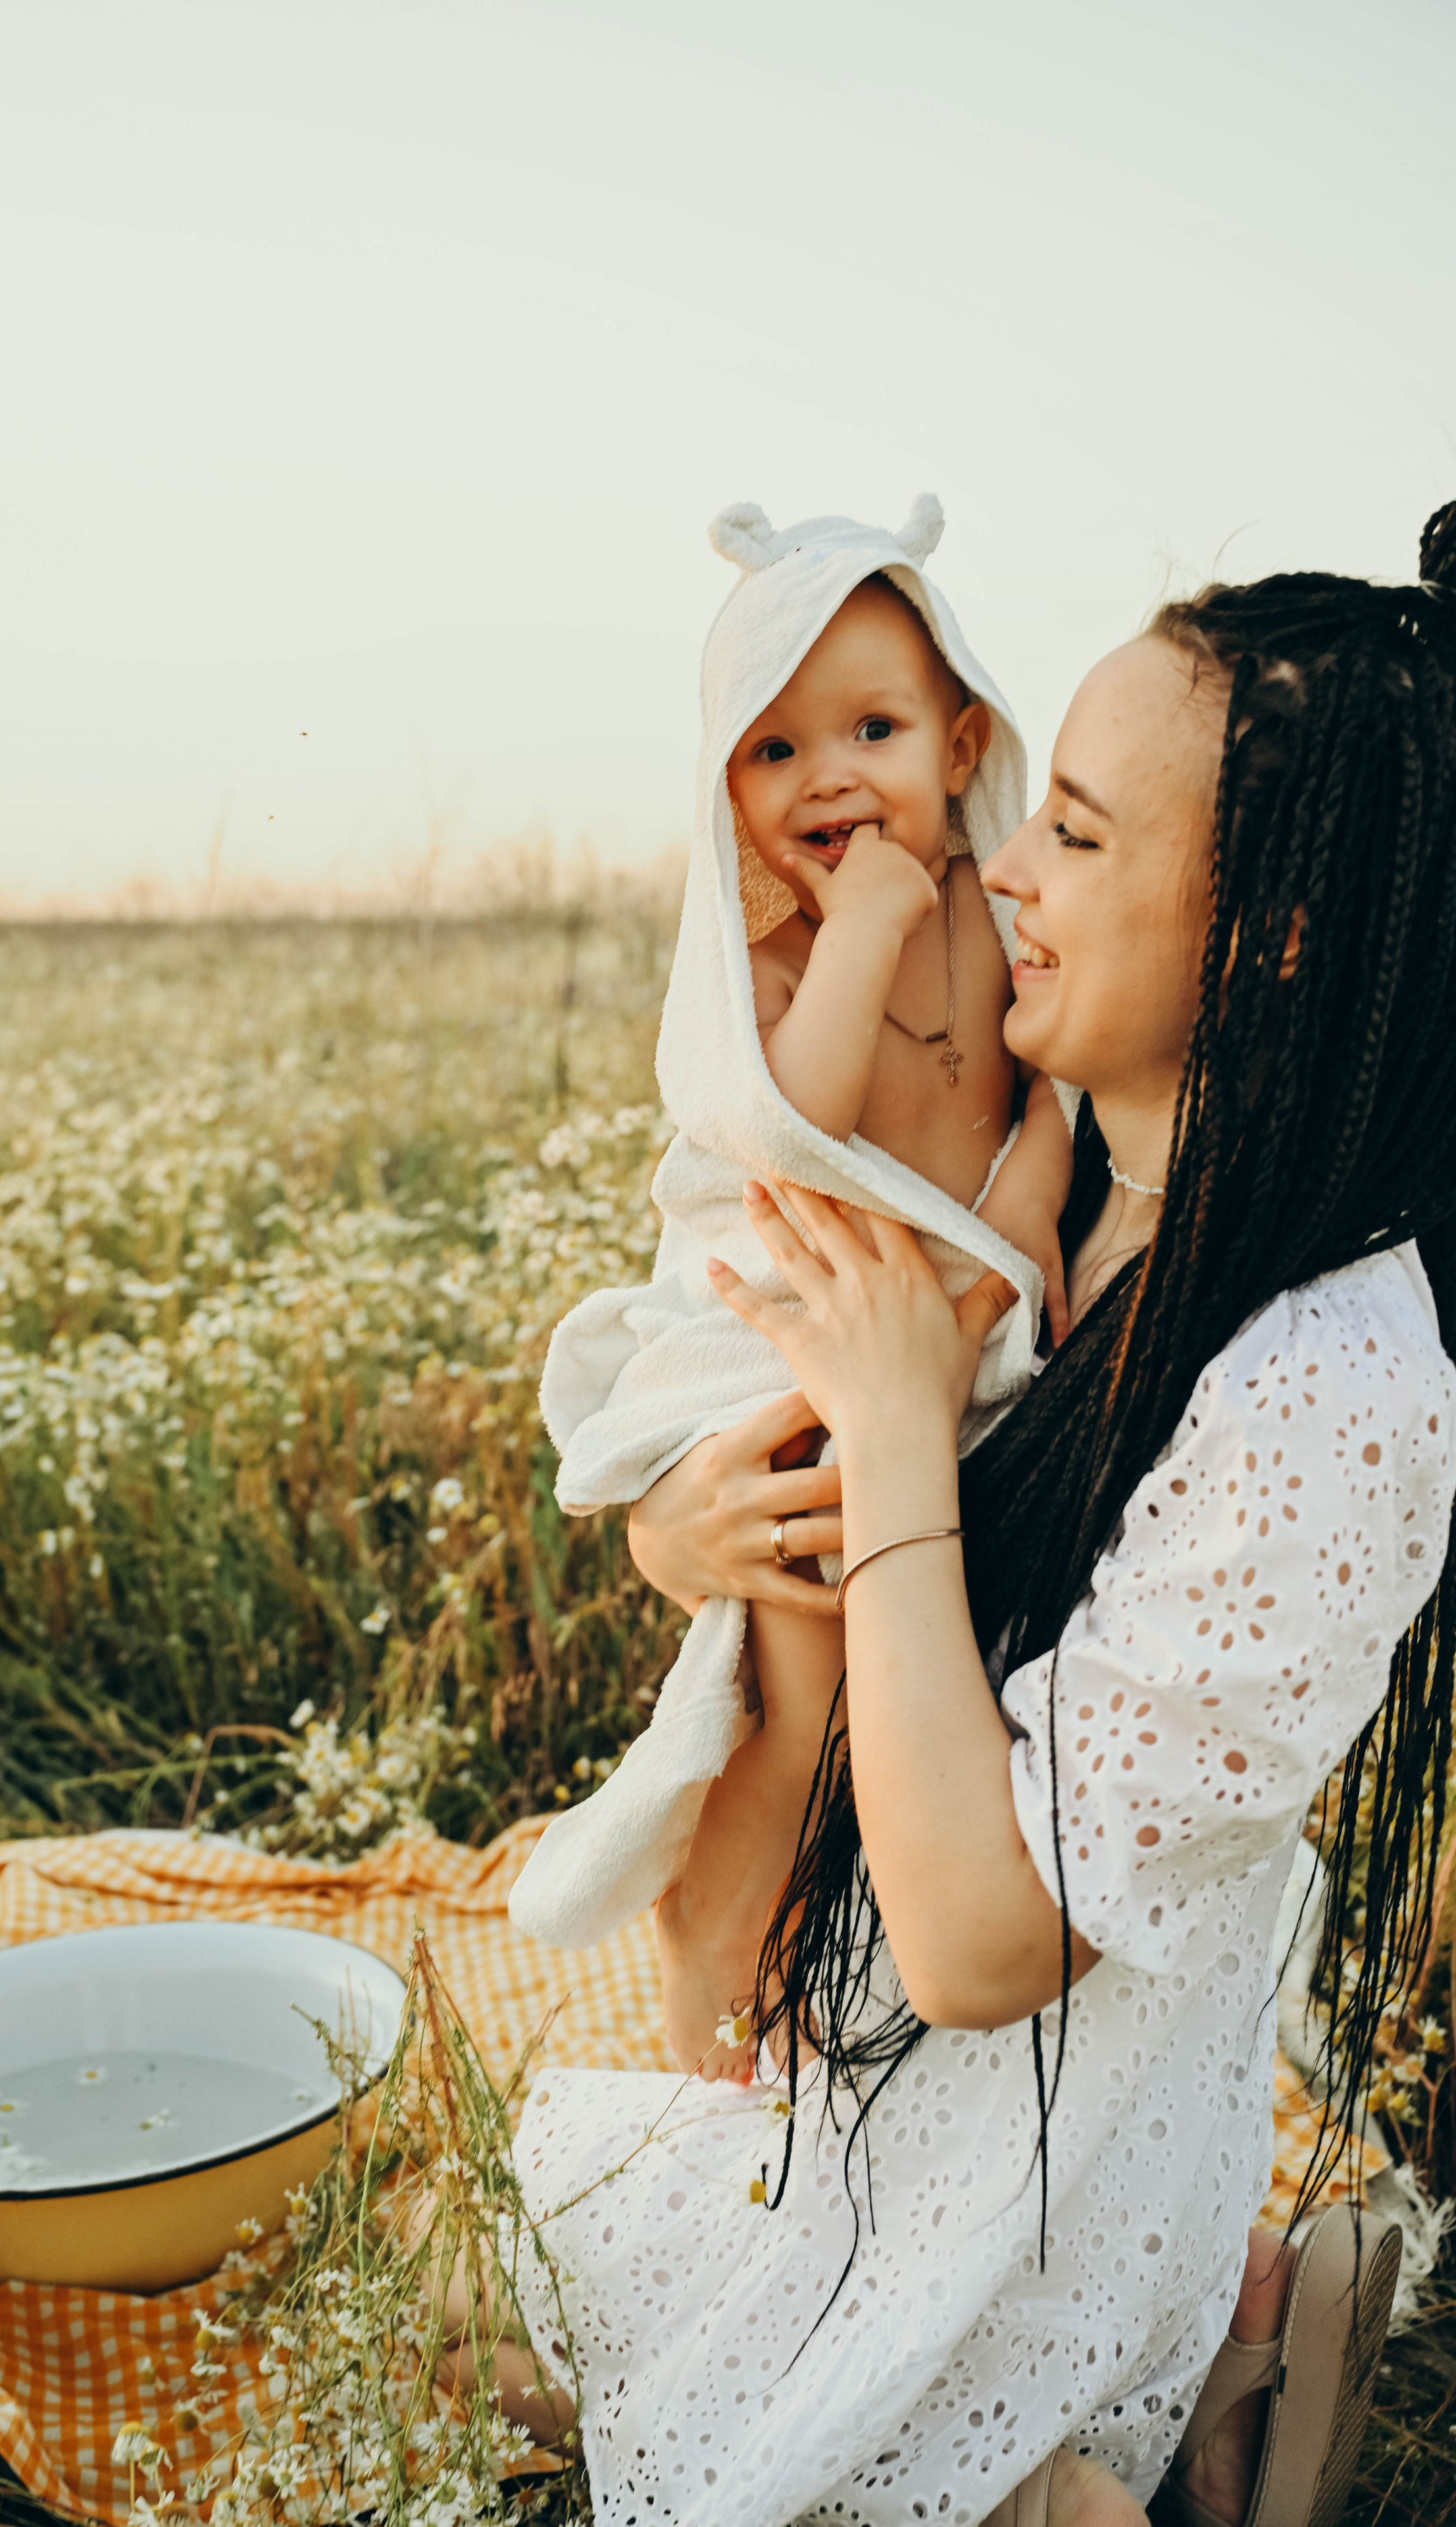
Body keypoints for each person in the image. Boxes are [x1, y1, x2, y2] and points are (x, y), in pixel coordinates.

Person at [502, 507, 1456, 2527]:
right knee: (526, 2316)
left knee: (694, 2423)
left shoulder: (1338, 1389)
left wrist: (898, 1442)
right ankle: (1221, 2376)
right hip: (891, 2063)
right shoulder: (1095, 1181)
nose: (1002, 863)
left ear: (1274, 932)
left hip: (1029, 2128)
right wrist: (690, 1522)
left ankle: (1153, 2405)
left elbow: (976, 1942)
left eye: (1085, 836)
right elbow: (777, 1416)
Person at [510, 500, 1070, 1958]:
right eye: (773, 749)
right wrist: (866, 922)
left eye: (870, 731)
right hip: (807, 1364)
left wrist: (1015, 1257)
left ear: (960, 750)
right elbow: (794, 1117)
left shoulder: (1006, 914)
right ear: (728, 790)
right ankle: (722, 2008)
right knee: (808, 1697)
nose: (825, 776)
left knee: (946, 1687)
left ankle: (878, 1962)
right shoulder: (773, 964)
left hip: (958, 1332)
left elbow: (1049, 1100)